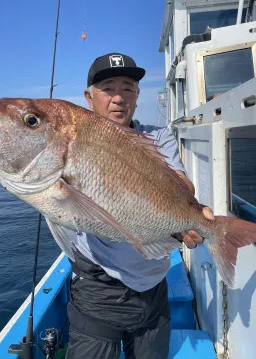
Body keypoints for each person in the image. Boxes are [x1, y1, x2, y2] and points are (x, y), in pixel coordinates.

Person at [59, 53, 214, 359]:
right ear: (89, 97)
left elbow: (182, 186)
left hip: (154, 288)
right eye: (108, 87)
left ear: (138, 95)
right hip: (98, 288)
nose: (118, 97)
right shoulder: (75, 142)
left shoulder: (158, 137)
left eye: (128, 87)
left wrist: (192, 216)